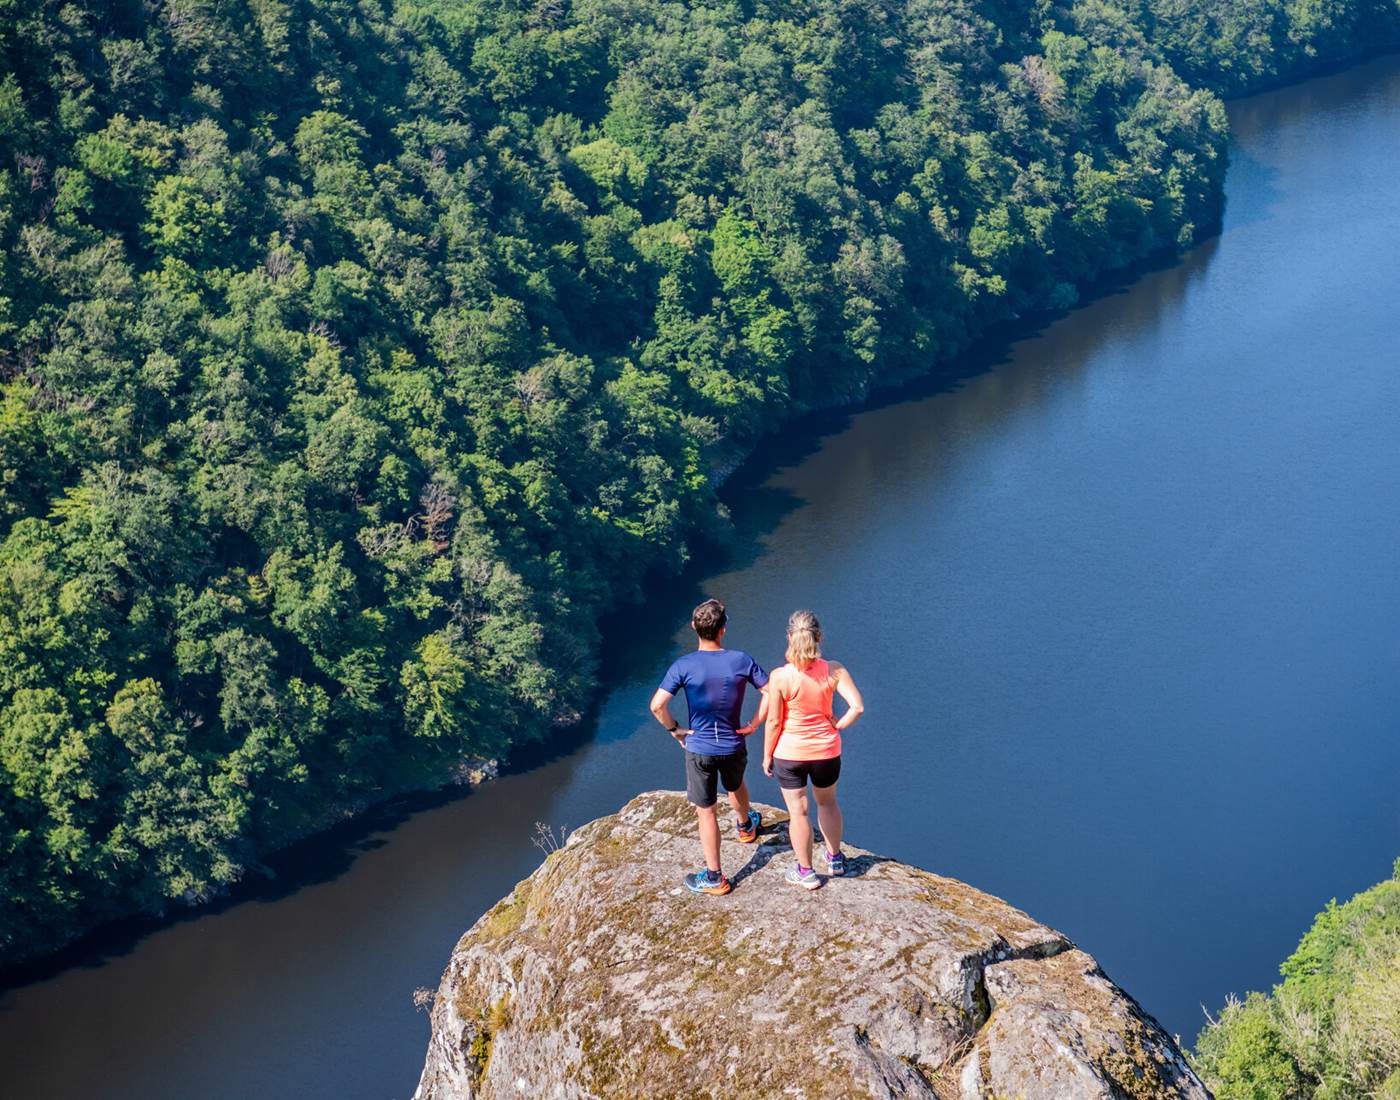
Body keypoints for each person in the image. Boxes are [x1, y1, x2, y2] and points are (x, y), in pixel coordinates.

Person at [650, 598, 769, 896]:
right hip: (732, 743)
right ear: (723, 629)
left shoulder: (684, 665)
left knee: (707, 812)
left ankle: (715, 877)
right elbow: (771, 692)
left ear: (694, 627)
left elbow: (657, 706)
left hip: (699, 747)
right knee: (736, 785)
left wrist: (675, 730)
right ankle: (745, 826)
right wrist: (754, 723)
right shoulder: (741, 660)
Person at [763, 610, 864, 890]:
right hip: (826, 751)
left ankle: (806, 871)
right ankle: (834, 858)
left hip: (790, 753)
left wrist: (766, 755)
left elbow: (773, 721)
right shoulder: (834, 669)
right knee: (827, 803)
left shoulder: (780, 677)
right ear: (818, 637)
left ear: (789, 637)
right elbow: (858, 706)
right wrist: (838, 725)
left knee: (799, 812)